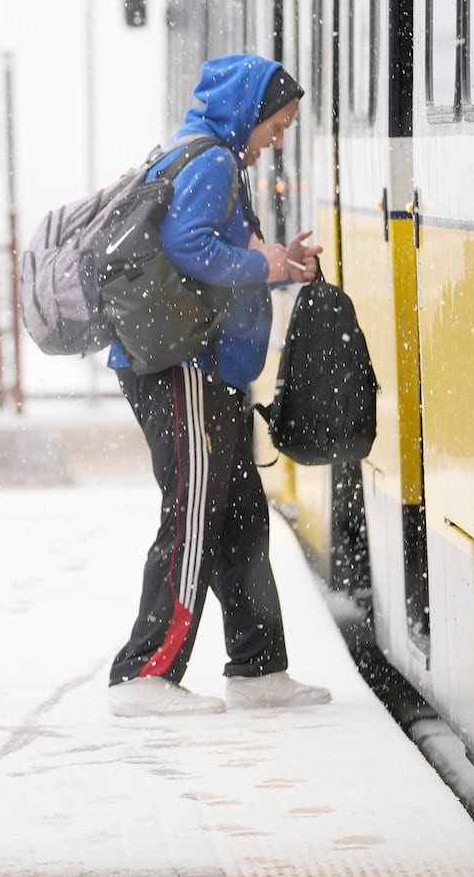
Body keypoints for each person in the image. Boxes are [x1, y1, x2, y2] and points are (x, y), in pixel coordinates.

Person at [106, 53, 332, 718]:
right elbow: (189, 246)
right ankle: (143, 673)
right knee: (194, 516)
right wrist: (260, 265)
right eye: (279, 124)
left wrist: (281, 265)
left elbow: (226, 261)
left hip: (208, 372)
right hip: (184, 371)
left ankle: (259, 667)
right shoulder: (210, 160)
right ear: (250, 113)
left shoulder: (216, 160)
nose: (279, 139)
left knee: (239, 520)